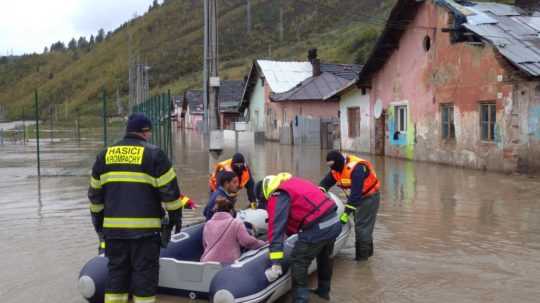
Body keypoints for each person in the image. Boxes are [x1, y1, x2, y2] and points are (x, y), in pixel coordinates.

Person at [88, 113, 194, 303]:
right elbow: (170, 194)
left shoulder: (104, 156)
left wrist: (99, 225)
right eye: (149, 132)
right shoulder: (155, 155)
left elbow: (95, 198)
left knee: (116, 279)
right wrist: (176, 218)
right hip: (145, 235)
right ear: (145, 132)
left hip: (114, 234)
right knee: (144, 281)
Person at [256, 173, 341, 303]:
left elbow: (276, 228)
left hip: (318, 228)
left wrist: (275, 263)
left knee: (298, 262)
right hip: (334, 222)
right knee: (324, 258)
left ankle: (300, 300)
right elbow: (299, 216)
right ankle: (323, 292)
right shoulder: (293, 183)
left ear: (265, 194)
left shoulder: (278, 194)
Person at [319, 150, 381, 262]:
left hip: (369, 198)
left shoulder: (356, 169)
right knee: (362, 225)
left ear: (339, 162)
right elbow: (325, 183)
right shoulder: (335, 170)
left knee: (362, 227)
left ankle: (362, 260)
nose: (332, 169)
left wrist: (345, 215)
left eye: (333, 166)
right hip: (357, 198)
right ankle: (368, 253)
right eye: (330, 167)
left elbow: (355, 196)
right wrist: (318, 193)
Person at [201, 195, 266, 263]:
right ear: (231, 211)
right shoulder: (236, 223)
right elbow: (247, 242)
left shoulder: (207, 224)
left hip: (207, 261)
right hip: (227, 263)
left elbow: (205, 244)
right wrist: (262, 244)